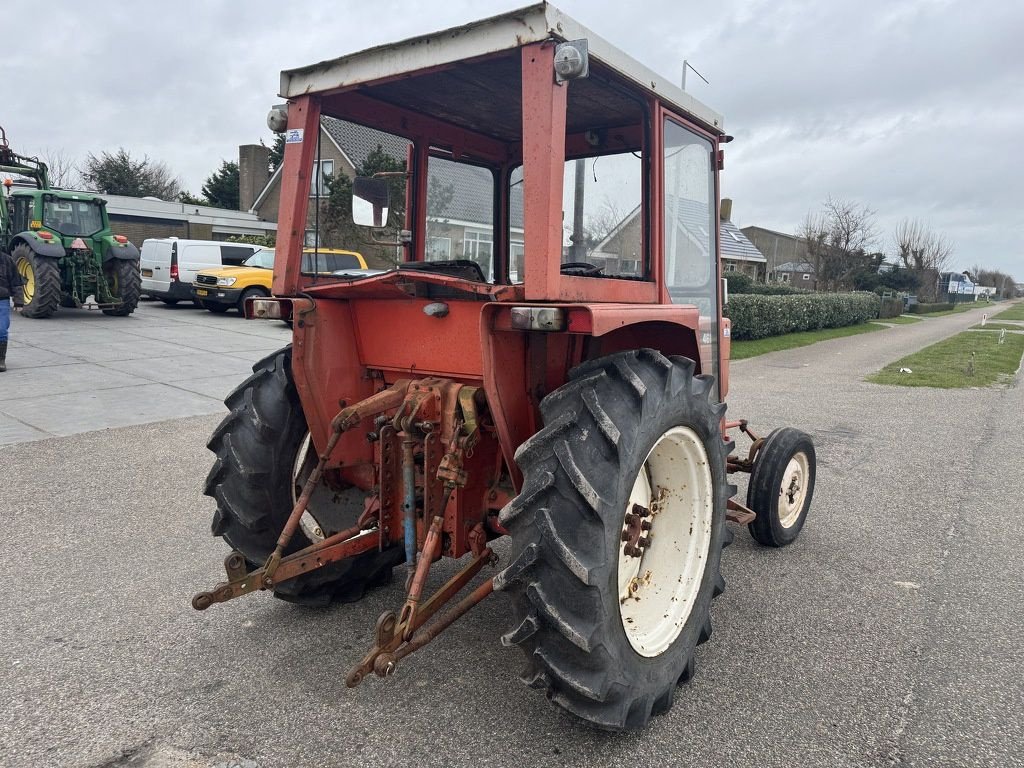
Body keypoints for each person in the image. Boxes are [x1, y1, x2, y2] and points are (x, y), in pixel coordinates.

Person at [0, 249, 25, 372]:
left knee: (1, 330)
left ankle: (0, 360)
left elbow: (16, 281)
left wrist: (19, 301)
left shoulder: (7, 260)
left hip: (2, 300)